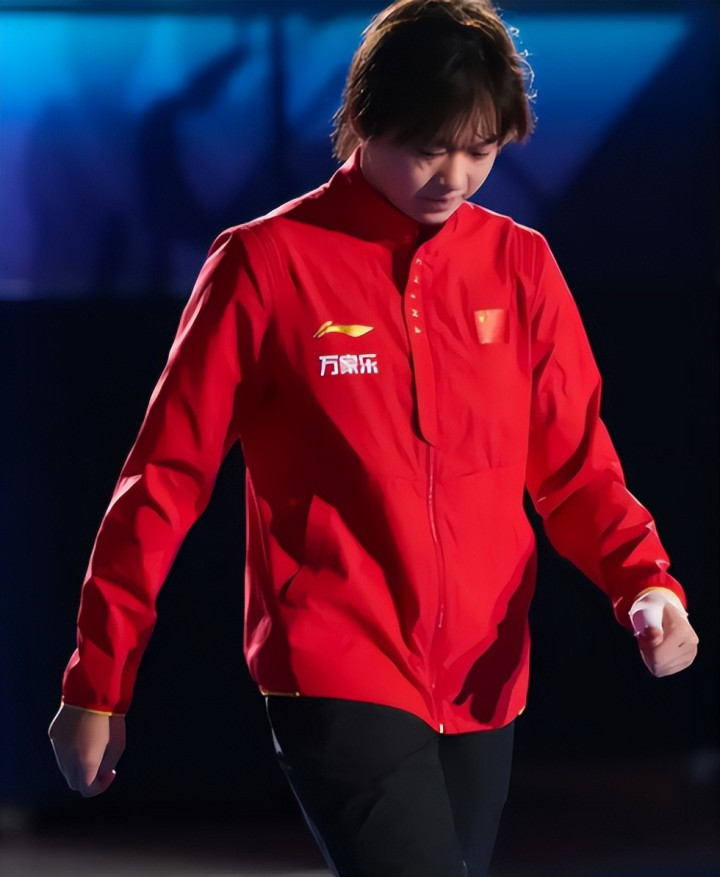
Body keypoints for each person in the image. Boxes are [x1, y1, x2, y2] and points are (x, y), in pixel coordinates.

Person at [49, 1, 699, 875]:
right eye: (429, 148)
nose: (455, 176)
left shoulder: (522, 266)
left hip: (484, 674)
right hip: (335, 662)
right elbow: (162, 480)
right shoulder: (265, 263)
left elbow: (577, 468)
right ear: (364, 120)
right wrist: (98, 680)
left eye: (481, 150)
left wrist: (645, 582)